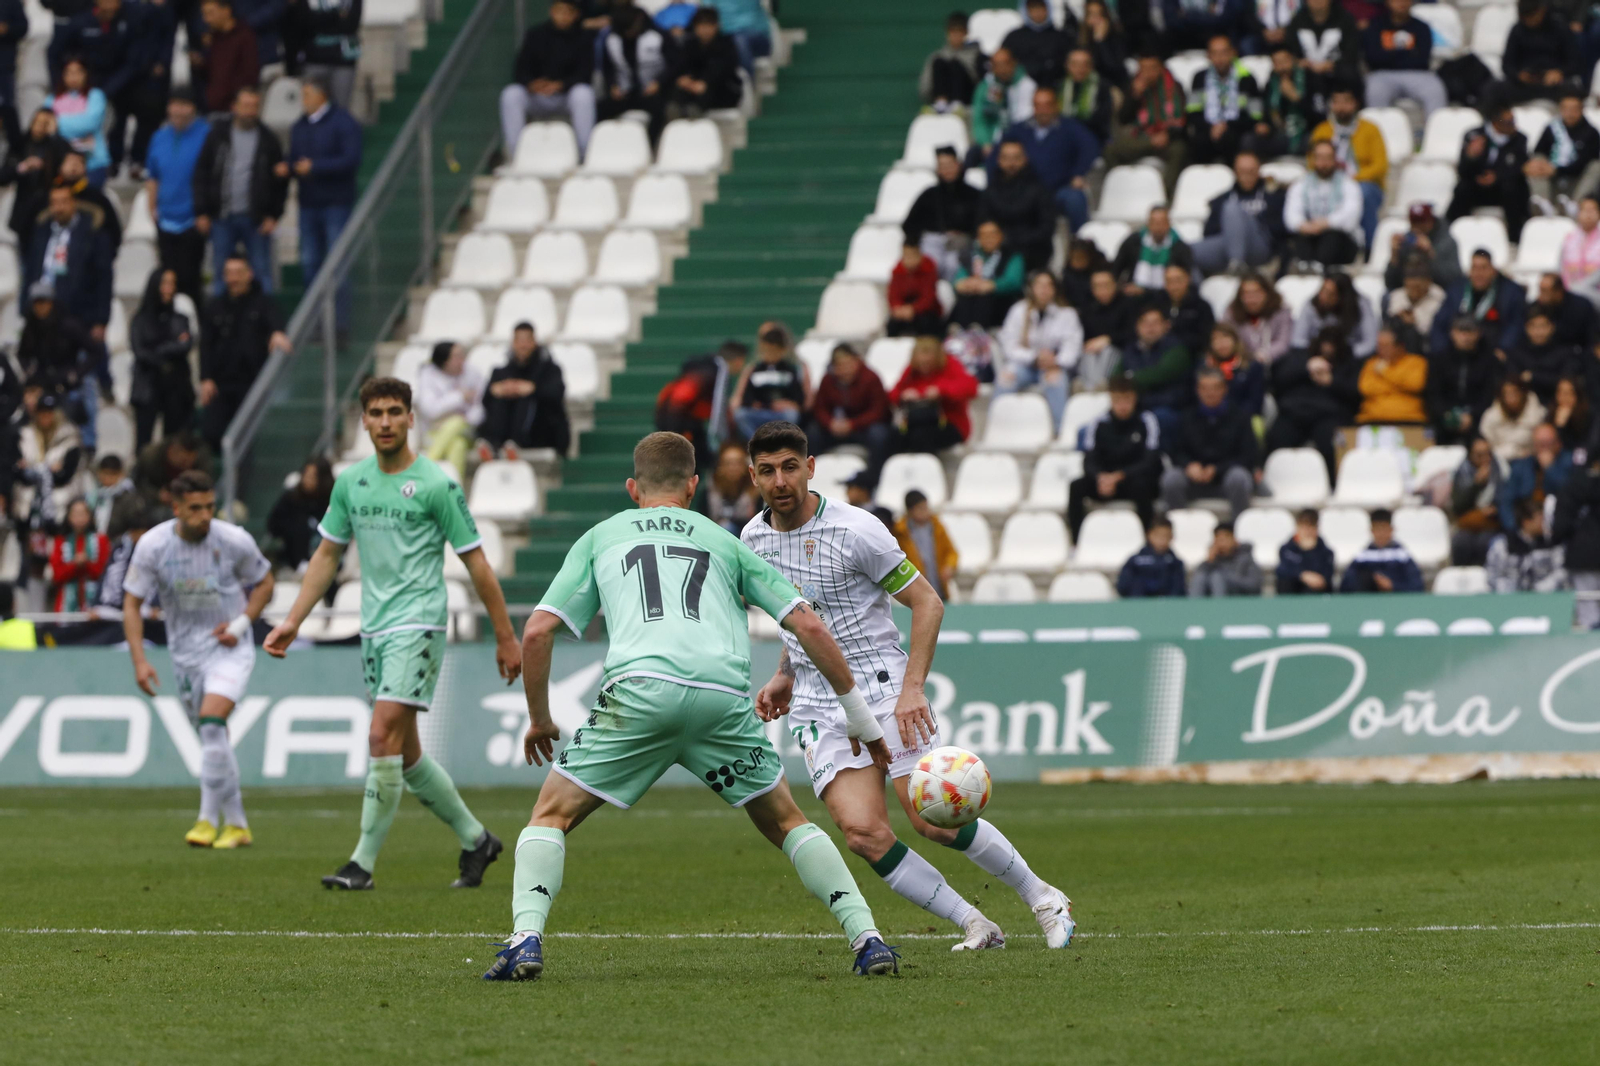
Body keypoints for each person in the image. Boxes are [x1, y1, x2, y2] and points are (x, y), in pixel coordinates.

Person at [487, 431, 904, 981]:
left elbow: (538, 632)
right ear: (692, 484)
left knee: (550, 816)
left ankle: (526, 940)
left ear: (633, 488)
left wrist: (541, 717)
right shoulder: (727, 540)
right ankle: (868, 939)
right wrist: (859, 715)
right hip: (721, 700)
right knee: (786, 821)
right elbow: (805, 622)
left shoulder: (601, 536)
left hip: (638, 695)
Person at [741, 422, 1072, 947]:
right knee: (863, 835)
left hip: (880, 686)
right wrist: (785, 672)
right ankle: (975, 923)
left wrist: (912, 688)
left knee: (932, 818)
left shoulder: (857, 529)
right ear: (752, 475)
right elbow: (801, 614)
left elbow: (927, 602)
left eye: (788, 467)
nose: (779, 480)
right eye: (766, 470)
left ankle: (1044, 897)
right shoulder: (752, 538)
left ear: (810, 467)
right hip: (816, 702)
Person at [266, 378, 522, 891]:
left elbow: (476, 562)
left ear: (411, 419)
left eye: (394, 412)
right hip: (373, 626)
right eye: (376, 413)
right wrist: (294, 618)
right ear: (363, 420)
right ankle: (477, 841)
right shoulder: (351, 483)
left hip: (420, 623)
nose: (385, 421)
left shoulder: (436, 484)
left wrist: (505, 635)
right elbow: (327, 556)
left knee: (380, 734)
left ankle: (361, 864)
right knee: (404, 756)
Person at [123, 469, 275, 849]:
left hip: (228, 649)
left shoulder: (234, 540)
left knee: (211, 725)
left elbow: (266, 582)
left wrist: (241, 626)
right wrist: (140, 661)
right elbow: (132, 602)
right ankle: (238, 824)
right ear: (175, 507)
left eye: (210, 506)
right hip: (184, 654)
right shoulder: (153, 546)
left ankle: (207, 820)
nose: (205, 515)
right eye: (195, 508)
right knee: (214, 738)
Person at [194, 84, 287, 295]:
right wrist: (201, 211)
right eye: (245, 105)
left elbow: (279, 182)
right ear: (234, 107)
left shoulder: (269, 140)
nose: (250, 111)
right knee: (220, 274)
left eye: (254, 106)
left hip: (255, 219)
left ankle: (266, 323)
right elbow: (202, 173)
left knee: (262, 274)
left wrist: (273, 215)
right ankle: (217, 324)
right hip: (221, 216)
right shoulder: (217, 135)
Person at [285, 78, 362, 326]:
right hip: (308, 204)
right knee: (310, 264)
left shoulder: (343, 123)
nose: (304, 100)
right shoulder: (300, 125)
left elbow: (350, 159)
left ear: (322, 95)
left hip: (335, 203)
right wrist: (289, 166)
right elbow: (295, 157)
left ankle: (339, 325)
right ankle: (315, 324)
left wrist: (316, 167)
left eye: (307, 94)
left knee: (336, 264)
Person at [198, 255, 288, 451]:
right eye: (229, 274)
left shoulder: (263, 303)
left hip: (252, 384)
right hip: (221, 384)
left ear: (249, 274)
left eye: (238, 273)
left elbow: (276, 321)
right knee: (210, 432)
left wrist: (278, 332)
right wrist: (205, 378)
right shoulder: (215, 306)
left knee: (247, 437)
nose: (233, 279)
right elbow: (206, 344)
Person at [992, 86, 1099, 233]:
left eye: (1047, 105)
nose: (1043, 110)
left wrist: (1078, 173)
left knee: (1075, 199)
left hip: (1058, 190)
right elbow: (996, 155)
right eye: (1038, 105)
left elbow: (1090, 147)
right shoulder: (1019, 129)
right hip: (1024, 191)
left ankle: (1080, 244)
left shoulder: (1070, 128)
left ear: (1056, 105)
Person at [1068, 374, 1161, 537]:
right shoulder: (1098, 423)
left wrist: (1121, 475)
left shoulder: (1147, 421)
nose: (1122, 405)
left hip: (1132, 479)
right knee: (1076, 486)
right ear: (1111, 399)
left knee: (1143, 486)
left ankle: (1146, 536)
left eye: (1127, 399)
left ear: (1135, 398)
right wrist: (1100, 477)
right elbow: (1089, 459)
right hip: (1105, 481)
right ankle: (1077, 540)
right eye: (1118, 400)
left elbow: (1151, 461)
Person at [500, 0, 596, 157]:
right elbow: (520, 70)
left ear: (576, 15)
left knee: (583, 94)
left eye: (568, 12)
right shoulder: (535, 34)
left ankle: (583, 154)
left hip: (566, 96)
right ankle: (516, 154)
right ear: (551, 11)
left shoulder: (584, 38)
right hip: (537, 96)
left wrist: (561, 85)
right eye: (559, 11)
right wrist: (532, 84)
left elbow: (585, 73)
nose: (563, 16)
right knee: (511, 94)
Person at [1161, 367, 1259, 519]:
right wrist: (1189, 465)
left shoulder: (1240, 417)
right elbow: (1175, 450)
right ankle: (1179, 529)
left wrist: (1217, 469)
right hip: (1194, 479)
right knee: (1171, 479)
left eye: (1215, 388)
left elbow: (1248, 455)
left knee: (1239, 477)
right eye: (1204, 388)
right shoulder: (1186, 417)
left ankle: (1238, 530)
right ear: (1197, 390)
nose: (1210, 393)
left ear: (1224, 389)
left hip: (1226, 479)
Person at [1265, 329, 1360, 480]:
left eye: (1332, 345)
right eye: (1325, 344)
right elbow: (1278, 379)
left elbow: (1356, 393)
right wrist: (1306, 368)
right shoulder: (1299, 357)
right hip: (1295, 413)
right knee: (1276, 439)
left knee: (1333, 445)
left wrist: (1332, 382)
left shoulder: (1349, 362)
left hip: (1330, 416)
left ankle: (1335, 486)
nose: (1328, 349)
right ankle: (1273, 483)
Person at [144, 89, 210, 305]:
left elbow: (212, 176)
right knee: (168, 278)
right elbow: (153, 176)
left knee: (191, 279)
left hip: (193, 219)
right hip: (165, 220)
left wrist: (205, 211)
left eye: (184, 104)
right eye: (174, 104)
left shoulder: (206, 134)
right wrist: (151, 206)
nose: (178, 110)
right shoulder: (159, 137)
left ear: (193, 108)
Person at [996, 270, 1081, 427]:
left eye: (1049, 285)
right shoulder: (1018, 311)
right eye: (1040, 285)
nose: (1044, 290)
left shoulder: (1067, 314)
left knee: (1055, 380)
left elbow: (1072, 348)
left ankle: (1059, 431)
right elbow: (1009, 346)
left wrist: (1056, 361)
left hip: (1054, 365)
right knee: (1006, 377)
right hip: (1026, 364)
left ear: (1055, 289)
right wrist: (1034, 357)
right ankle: (998, 425)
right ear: (1032, 288)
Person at [1309, 84, 1387, 250]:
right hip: (1329, 181)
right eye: (1336, 102)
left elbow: (1380, 166)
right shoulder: (1322, 130)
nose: (1341, 107)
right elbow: (1312, 162)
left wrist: (1351, 179)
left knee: (1363, 193)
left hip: (1361, 182)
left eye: (1346, 102)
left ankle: (1370, 249)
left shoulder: (1370, 129)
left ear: (1355, 104)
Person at [478, 321, 570, 459]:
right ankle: (493, 443)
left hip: (540, 431)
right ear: (513, 343)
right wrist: (499, 390)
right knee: (501, 398)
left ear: (534, 342)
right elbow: (485, 401)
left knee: (527, 398)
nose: (523, 345)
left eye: (527, 340)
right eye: (519, 341)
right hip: (504, 429)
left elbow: (556, 396)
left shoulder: (550, 370)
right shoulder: (500, 373)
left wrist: (533, 389)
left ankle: (517, 441)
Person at [1448, 101, 1532, 244]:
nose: (1513, 125)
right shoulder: (1473, 135)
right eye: (1508, 122)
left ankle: (1515, 237)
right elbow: (1463, 170)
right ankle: (1452, 232)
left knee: (1513, 188)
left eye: (1513, 121)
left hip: (1504, 188)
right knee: (1462, 188)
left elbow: (1520, 168)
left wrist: (1497, 176)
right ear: (1496, 122)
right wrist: (1471, 157)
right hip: (1478, 186)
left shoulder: (1520, 139)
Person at [805, 342, 892, 481]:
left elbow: (878, 411)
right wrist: (830, 423)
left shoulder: (871, 379)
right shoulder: (827, 380)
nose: (845, 370)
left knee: (879, 435)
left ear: (857, 362)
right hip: (835, 427)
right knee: (812, 433)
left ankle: (875, 479)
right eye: (840, 366)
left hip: (862, 427)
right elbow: (819, 408)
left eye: (848, 364)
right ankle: (812, 477)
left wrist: (853, 424)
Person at [130, 266, 195, 449]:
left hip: (176, 386)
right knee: (144, 443)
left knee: (174, 443)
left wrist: (158, 349)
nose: (169, 288)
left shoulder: (181, 318)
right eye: (165, 283)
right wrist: (170, 348)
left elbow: (186, 345)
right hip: (148, 386)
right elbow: (140, 351)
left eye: (172, 283)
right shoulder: (141, 319)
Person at [1104, 50, 1187, 193]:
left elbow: (1184, 120)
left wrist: (1168, 134)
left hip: (1166, 138)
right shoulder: (1133, 86)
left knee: (1179, 150)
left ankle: (1164, 194)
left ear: (1161, 68)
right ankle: (1122, 190)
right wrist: (1134, 96)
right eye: (1144, 68)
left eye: (1152, 68)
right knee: (1110, 150)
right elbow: (1124, 119)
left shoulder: (1174, 87)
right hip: (1141, 137)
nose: (1148, 73)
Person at [1192, 150, 1285, 276]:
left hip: (1260, 247)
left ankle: (1237, 266)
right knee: (1184, 252)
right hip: (1226, 247)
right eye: (1242, 171)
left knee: (1232, 208)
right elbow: (1209, 232)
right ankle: (1196, 292)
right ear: (1235, 172)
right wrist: (1233, 232)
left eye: (1251, 171)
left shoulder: (1274, 196)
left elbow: (1282, 229)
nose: (1246, 176)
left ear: (1259, 171)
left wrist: (1252, 223)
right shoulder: (1222, 199)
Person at [1115, 303, 1193, 443]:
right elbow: (1117, 380)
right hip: (1135, 408)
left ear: (1166, 325)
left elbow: (1161, 374)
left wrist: (1132, 378)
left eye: (1155, 323)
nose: (1150, 328)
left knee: (1159, 419)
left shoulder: (1176, 349)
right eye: (1145, 323)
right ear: (1137, 327)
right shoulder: (1130, 350)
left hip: (1167, 408)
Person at [889, 334, 979, 453]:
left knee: (921, 437)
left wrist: (941, 391)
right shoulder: (911, 372)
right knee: (892, 437)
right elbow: (893, 394)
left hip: (949, 423)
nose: (925, 366)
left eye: (928, 362)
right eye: (922, 362)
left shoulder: (951, 365)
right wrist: (903, 395)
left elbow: (971, 387)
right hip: (916, 421)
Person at [599, 3, 675, 145]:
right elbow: (607, 67)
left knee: (660, 111)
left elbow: (675, 65)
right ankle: (605, 146)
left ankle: (648, 146)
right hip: (625, 92)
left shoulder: (658, 36)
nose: (630, 32)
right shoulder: (611, 39)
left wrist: (659, 83)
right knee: (600, 110)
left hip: (653, 92)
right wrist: (612, 85)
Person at [1283, 139, 1364, 271]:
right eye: (1319, 158)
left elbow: (1351, 217)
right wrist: (1304, 225)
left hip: (1342, 242)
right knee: (1301, 237)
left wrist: (1325, 223)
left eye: (1328, 158)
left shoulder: (1348, 184)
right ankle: (1306, 269)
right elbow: (1290, 216)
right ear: (1312, 160)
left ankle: (1318, 269)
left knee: (1331, 236)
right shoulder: (1300, 184)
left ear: (1335, 160)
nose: (1323, 163)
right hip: (1311, 236)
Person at [1431, 250, 1527, 360]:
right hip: (1457, 353)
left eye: (1483, 268)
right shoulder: (1457, 289)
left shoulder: (1510, 292)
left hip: (1493, 354)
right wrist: (1441, 349)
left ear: (1493, 270)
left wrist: (1503, 348)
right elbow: (1440, 323)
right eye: (1474, 268)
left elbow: (1515, 325)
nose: (1478, 273)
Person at [1185, 35, 1264, 166]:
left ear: (1233, 53)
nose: (1220, 58)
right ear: (1208, 56)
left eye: (1224, 53)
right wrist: (1211, 128)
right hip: (1207, 130)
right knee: (1196, 141)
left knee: (1232, 139)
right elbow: (1192, 113)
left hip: (1235, 131)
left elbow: (1255, 116)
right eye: (1214, 53)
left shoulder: (1248, 79)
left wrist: (1227, 126)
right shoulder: (1199, 78)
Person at [1362, 0, 1446, 120]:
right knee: (1374, 90)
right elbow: (1373, 58)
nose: (1401, 3)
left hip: (1417, 74)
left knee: (1435, 89)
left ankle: (1436, 133)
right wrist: (1407, 53)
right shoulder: (1375, 26)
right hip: (1382, 75)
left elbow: (1422, 59)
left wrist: (1388, 55)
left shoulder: (1422, 27)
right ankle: (1379, 134)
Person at [978, 139, 1055, 269]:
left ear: (1025, 159)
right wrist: (996, 240)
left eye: (1016, 158)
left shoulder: (1039, 190)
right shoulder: (990, 191)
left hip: (1031, 250)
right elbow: (982, 221)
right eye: (1006, 158)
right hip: (996, 250)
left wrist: (1017, 240)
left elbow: (1047, 227)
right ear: (999, 160)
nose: (1011, 163)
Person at [1, 108, 70, 252]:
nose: (40, 127)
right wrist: (22, 167)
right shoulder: (20, 145)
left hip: (50, 210)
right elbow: (3, 176)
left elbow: (67, 165)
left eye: (45, 123)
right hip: (24, 212)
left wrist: (55, 134)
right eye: (37, 122)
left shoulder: (56, 145)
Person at [1424, 314, 1498, 446]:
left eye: (1470, 332)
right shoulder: (1439, 359)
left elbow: (1489, 394)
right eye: (1461, 331)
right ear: (1452, 333)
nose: (1466, 337)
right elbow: (1433, 392)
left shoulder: (1489, 361)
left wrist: (1472, 416)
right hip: (1444, 419)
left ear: (1479, 333)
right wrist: (1446, 414)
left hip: (1478, 420)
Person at [416, 340, 485, 473]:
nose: (462, 360)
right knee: (458, 446)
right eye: (457, 357)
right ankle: (454, 491)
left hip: (467, 429)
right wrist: (460, 397)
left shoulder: (472, 372)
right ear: (444, 362)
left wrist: (465, 419)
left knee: (456, 422)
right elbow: (430, 410)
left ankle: (427, 468)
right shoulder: (428, 375)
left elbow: (481, 405)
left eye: (462, 355)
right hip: (435, 431)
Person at [1527, 89, 1600, 214]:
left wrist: (1556, 169)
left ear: (1581, 109)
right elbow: (1539, 151)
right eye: (1566, 109)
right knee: (1537, 160)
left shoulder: (1591, 133)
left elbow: (1585, 161)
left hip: (1577, 180)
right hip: (1551, 180)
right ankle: (1542, 202)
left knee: (1596, 166)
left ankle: (1576, 204)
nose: (1570, 113)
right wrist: (1542, 166)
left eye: (1574, 109)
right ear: (1560, 109)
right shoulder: (1551, 128)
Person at [730, 322, 807, 441]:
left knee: (792, 415)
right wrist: (754, 404)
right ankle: (757, 443)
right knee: (741, 414)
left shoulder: (790, 370)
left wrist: (788, 403)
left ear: (782, 350)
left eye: (774, 350)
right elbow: (747, 396)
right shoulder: (754, 370)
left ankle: (779, 442)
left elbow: (798, 397)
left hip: (781, 414)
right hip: (759, 412)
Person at [283, 0, 364, 110]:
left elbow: (351, 24)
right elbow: (304, 21)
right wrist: (336, 14)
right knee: (311, 107)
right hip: (313, 59)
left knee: (341, 109)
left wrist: (321, 19)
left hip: (343, 60)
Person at [43, 57, 109, 187]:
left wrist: (57, 122)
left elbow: (90, 123)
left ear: (86, 74)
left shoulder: (95, 96)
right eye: (69, 72)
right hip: (60, 164)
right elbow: (45, 125)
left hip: (93, 162)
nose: (74, 76)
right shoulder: (52, 99)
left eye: (78, 72)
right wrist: (77, 122)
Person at [947, 219, 1025, 328]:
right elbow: (958, 279)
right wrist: (965, 283)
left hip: (999, 303)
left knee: (984, 297)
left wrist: (992, 285)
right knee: (965, 297)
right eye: (984, 235)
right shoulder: (970, 254)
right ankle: (959, 331)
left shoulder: (1012, 256)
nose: (988, 238)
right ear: (978, 238)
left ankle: (980, 333)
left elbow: (1014, 282)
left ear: (1000, 236)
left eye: (992, 234)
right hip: (970, 300)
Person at [1498, 421, 1573, 531]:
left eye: (1548, 443)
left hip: (1560, 524)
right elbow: (1506, 501)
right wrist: (1515, 529)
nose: (1544, 449)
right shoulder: (1521, 466)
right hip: (1526, 525)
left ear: (1558, 443)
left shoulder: (1569, 463)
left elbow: (1570, 495)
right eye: (1540, 444)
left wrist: (1550, 469)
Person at [1552, 454, 1600, 626]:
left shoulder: (1571, 486)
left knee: (1588, 614)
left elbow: (1560, 526)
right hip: (1583, 556)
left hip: (1582, 555)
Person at [1502, 0, 1580, 105]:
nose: (1530, 21)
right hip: (1525, 85)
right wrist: (1518, 75)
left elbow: (1575, 62)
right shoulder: (1517, 31)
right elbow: (1507, 64)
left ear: (1541, 11)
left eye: (1532, 16)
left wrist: (1560, 72)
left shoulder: (1560, 28)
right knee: (1495, 88)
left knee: (1572, 90)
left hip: (1553, 85)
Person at [669, 7, 742, 118]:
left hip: (722, 89)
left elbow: (723, 69)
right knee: (678, 90)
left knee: (708, 91)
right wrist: (685, 80)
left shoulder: (727, 44)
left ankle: (695, 113)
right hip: (694, 87)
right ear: (695, 27)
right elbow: (680, 66)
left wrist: (706, 82)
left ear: (716, 25)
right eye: (702, 25)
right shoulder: (690, 45)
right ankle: (677, 114)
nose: (705, 30)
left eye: (709, 25)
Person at [968, 47, 1035, 166]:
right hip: (993, 140)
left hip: (1021, 141)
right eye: (997, 65)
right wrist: (985, 142)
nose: (1002, 69)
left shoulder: (1028, 85)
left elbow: (1027, 119)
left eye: (1005, 64)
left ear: (1014, 63)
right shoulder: (986, 87)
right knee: (972, 155)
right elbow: (980, 119)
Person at [192, 0, 259, 117]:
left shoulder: (244, 37)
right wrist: (200, 64)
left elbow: (250, 75)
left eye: (211, 13)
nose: (207, 19)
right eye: (204, 14)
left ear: (226, 11)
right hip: (212, 110)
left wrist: (233, 100)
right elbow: (211, 73)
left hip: (234, 112)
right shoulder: (213, 39)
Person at [266, 454, 333, 570]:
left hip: (327, 559)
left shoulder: (332, 500)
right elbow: (273, 525)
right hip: (294, 561)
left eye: (313, 477)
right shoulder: (291, 498)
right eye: (305, 475)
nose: (307, 480)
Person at [890, 488, 957, 602]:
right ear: (910, 511)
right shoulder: (900, 532)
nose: (925, 511)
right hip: (915, 589)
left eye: (926, 507)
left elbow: (951, 552)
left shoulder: (937, 527)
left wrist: (949, 566)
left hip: (939, 585)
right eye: (920, 508)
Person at [1487, 498, 1568, 592]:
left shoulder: (1552, 542)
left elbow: (1561, 572)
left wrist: (1538, 591)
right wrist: (1513, 592)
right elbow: (1493, 574)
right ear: (1526, 522)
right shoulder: (1503, 544)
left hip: (1545, 600)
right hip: (1510, 600)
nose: (1545, 523)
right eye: (1541, 518)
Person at [1451, 437, 1508, 565]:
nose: (1485, 459)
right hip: (1468, 522)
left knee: (1485, 542)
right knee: (1460, 543)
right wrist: (1475, 484)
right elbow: (1458, 505)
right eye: (1479, 455)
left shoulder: (1501, 469)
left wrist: (1495, 508)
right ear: (1470, 456)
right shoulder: (1462, 472)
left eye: (1488, 454)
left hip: (1492, 523)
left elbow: (1507, 498)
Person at [1357, 323, 1428, 424]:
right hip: (1373, 419)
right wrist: (1399, 388)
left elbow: (1416, 384)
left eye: (1385, 346)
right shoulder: (1372, 364)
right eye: (1379, 345)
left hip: (1408, 420)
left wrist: (1384, 372)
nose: (1380, 350)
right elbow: (1365, 388)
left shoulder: (1416, 363)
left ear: (1400, 346)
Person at [1112, 205, 1193, 294]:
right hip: (1135, 295)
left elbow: (1187, 277)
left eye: (1162, 222)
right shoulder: (1133, 242)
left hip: (1167, 295)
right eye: (1154, 222)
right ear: (1148, 224)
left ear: (1169, 224)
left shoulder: (1180, 248)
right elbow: (1116, 268)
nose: (1158, 227)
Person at [1292, 273, 1377, 357]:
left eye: (1330, 294)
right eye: (1322, 290)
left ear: (1342, 296)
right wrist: (1316, 354)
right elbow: (1298, 340)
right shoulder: (1311, 304)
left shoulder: (1360, 305)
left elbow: (1370, 343)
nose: (1322, 297)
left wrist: (1345, 355)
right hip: (1315, 355)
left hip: (1349, 356)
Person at [46, 496, 108, 612]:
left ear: (90, 516)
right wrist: (74, 564)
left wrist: (87, 564)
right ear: (68, 517)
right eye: (75, 514)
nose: (79, 518)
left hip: (95, 604)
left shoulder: (101, 540)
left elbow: (104, 573)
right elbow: (57, 575)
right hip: (65, 604)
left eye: (83, 513)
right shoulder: (60, 541)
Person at [1339, 508, 1424, 592]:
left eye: (1384, 528)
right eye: (1377, 529)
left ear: (1391, 529)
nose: (1381, 534)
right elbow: (1346, 585)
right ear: (1371, 530)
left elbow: (1417, 585)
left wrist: (1393, 586)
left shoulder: (1402, 555)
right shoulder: (1363, 557)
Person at [1508, 308, 1579, 406]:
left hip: (1556, 405)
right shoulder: (1517, 353)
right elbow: (1513, 383)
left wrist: (1533, 377)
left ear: (1552, 327)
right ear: (1526, 328)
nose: (1538, 332)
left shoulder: (1565, 353)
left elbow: (1565, 383)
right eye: (1533, 326)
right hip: (1523, 407)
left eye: (1543, 326)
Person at [1385, 203, 1461, 292]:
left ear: (1431, 221)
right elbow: (1390, 284)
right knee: (1387, 297)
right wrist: (1394, 257)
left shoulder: (1447, 242)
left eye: (1422, 222)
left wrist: (1430, 253)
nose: (1418, 226)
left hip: (1438, 292)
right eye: (1414, 222)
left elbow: (1453, 280)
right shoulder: (1406, 241)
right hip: (1409, 291)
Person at [1256, 46, 1314, 160]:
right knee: (1253, 140)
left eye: (1285, 61)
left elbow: (1318, 116)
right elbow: (1266, 113)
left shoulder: (1309, 78)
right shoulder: (1271, 83)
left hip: (1306, 131)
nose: (1282, 67)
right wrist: (1264, 124)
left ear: (1293, 60)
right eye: (1277, 63)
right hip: (1280, 133)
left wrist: (1296, 98)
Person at [1078, 268, 1130, 388]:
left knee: (1108, 352)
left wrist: (1108, 339)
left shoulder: (1127, 305)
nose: (1102, 290)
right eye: (1098, 286)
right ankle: (1092, 387)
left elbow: (1132, 333)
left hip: (1118, 351)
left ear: (1115, 284)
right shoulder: (1087, 309)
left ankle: (1099, 386)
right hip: (1093, 353)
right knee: (1087, 353)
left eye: (1106, 285)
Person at [1225, 271, 1292, 365]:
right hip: (1241, 362)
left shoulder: (1281, 310)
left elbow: (1283, 342)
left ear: (1267, 293)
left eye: (1256, 292)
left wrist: (1264, 355)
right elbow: (1226, 338)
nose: (1251, 299)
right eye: (1246, 294)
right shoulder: (1231, 313)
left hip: (1275, 361)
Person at [919, 11, 981, 113]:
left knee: (955, 64)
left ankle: (957, 105)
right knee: (939, 62)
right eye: (953, 32)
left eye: (960, 32)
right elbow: (924, 88)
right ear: (947, 33)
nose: (956, 36)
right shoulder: (937, 57)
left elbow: (979, 84)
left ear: (966, 33)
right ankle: (941, 104)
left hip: (966, 101)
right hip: (944, 101)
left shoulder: (976, 54)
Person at [1002, 0, 1073, 85]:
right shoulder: (1014, 37)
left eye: (1041, 7)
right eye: (1033, 8)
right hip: (1019, 87)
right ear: (1025, 10)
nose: (1037, 12)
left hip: (1054, 87)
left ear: (1048, 9)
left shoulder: (1061, 37)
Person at [1202, 322, 1265, 416]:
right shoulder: (1205, 367)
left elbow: (1254, 403)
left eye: (1225, 337)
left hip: (1242, 420)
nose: (1221, 343)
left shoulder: (1252, 367)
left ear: (1235, 340)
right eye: (1215, 339)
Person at [1156, 262, 1215, 359]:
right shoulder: (1157, 305)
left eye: (1178, 280)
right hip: (1158, 356)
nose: (1174, 286)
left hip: (1191, 357)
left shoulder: (1201, 307)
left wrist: (1173, 330)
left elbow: (1206, 338)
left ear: (1188, 279)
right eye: (1169, 281)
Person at [698, 439, 759, 533]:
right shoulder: (708, 493)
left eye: (738, 463)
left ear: (746, 466)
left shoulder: (757, 493)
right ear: (720, 466)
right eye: (728, 463)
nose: (733, 468)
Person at [1481, 378, 1548, 462]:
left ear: (1523, 394)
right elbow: (1487, 445)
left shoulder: (1539, 415)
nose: (1511, 398)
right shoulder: (1490, 417)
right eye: (1506, 394)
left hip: (1530, 461)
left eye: (1514, 393)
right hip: (1498, 461)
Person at [1116, 517, 1186, 597]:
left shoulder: (1175, 563)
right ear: (1149, 535)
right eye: (1158, 535)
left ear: (1171, 537)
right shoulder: (1135, 561)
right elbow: (1123, 587)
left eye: (1166, 536)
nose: (1162, 540)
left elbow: (1178, 591)